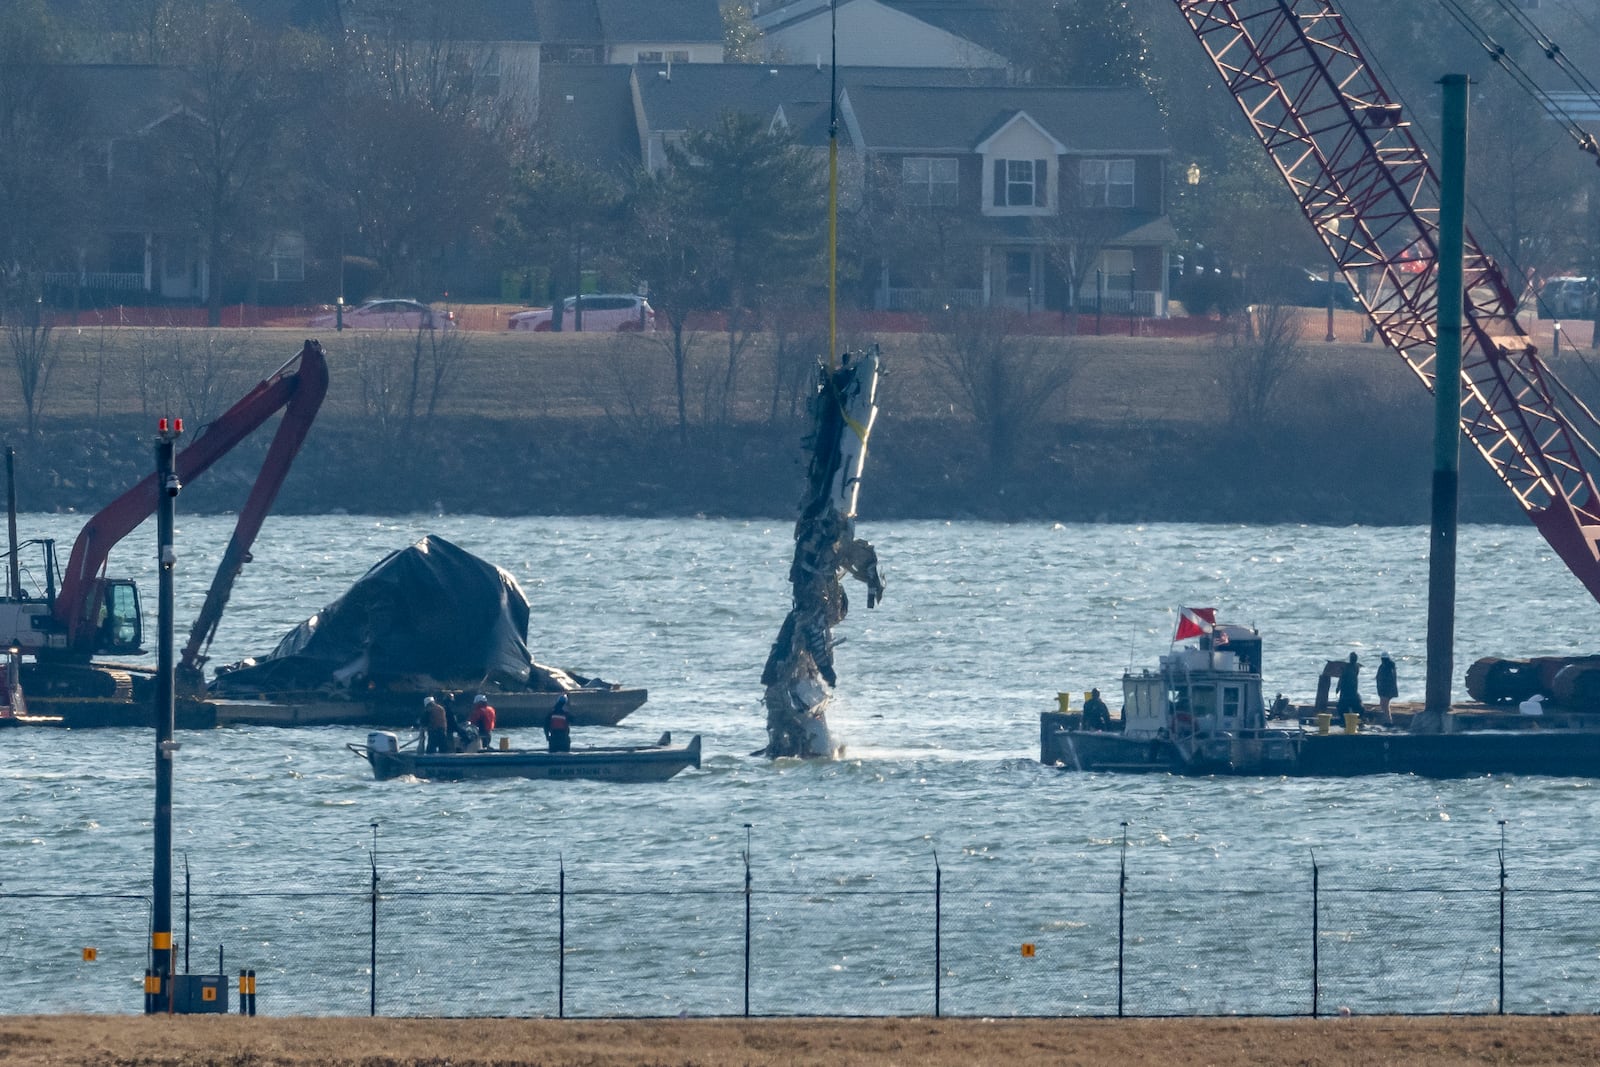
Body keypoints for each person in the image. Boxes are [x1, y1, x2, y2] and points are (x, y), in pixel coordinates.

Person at [1335, 652, 1364, 716]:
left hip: (1347, 692)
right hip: (1352, 691)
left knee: (1342, 707)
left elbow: (1341, 678)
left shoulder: (1347, 667)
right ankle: (1355, 719)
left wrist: (1338, 687)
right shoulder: (1356, 667)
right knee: (1358, 707)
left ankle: (1345, 720)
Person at [1375, 654, 1398, 724]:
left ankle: (1388, 720)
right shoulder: (1389, 666)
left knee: (1384, 704)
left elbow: (1387, 679)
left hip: (1386, 690)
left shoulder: (1387, 667)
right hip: (1386, 689)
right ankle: (1388, 720)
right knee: (1384, 705)